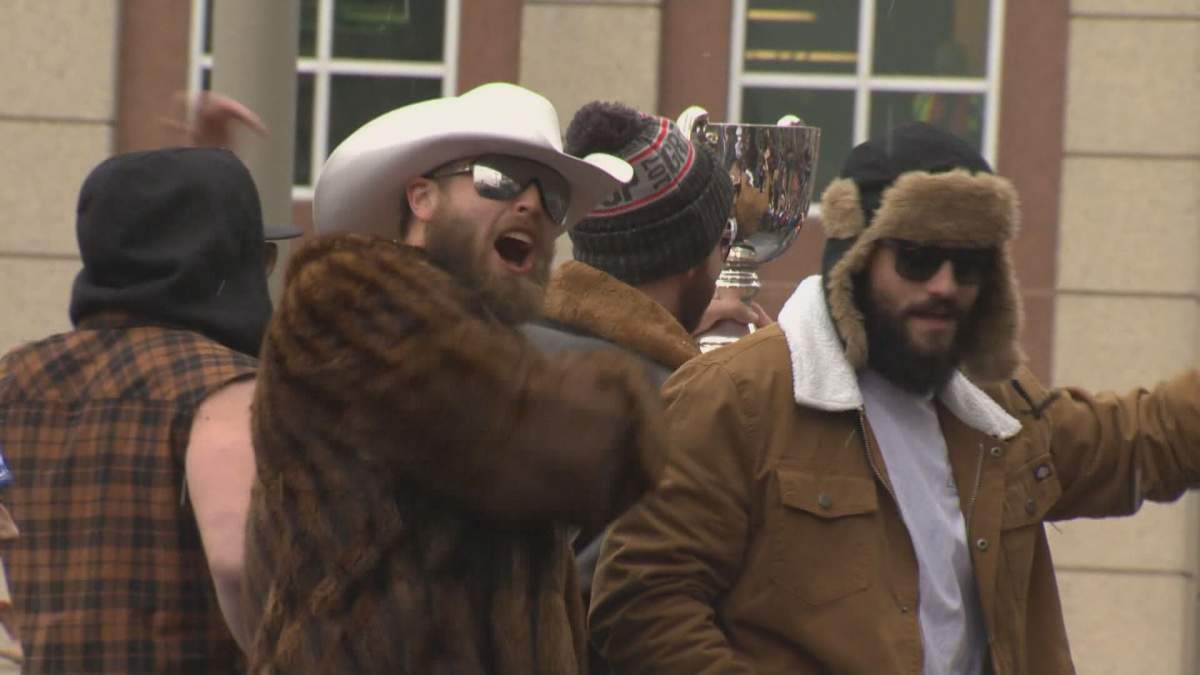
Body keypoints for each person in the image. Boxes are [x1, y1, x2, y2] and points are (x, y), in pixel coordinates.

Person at [587, 122, 1200, 675]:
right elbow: (642, 607)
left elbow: (1145, 440)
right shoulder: (737, 396)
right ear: (854, 259)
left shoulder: (998, 416)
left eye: (968, 266)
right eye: (917, 259)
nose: (945, 286)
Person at [240, 82, 670, 675]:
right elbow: (578, 443)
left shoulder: (489, 349)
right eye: (498, 177)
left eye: (553, 197)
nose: (531, 206)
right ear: (421, 198)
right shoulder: (347, 299)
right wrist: (700, 373)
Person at [0, 147, 283, 673]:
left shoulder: (13, 380)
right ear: (224, 261)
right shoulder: (224, 386)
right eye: (259, 259)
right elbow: (237, 561)